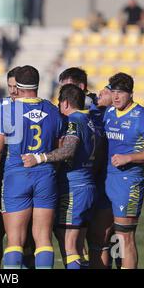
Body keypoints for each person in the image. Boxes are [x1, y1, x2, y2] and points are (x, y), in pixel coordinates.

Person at [0, 65, 65, 269]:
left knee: (14, 241)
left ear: (17, 87)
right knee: (43, 239)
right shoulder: (53, 110)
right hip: (45, 175)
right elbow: (60, 148)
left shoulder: (7, 110)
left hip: (16, 176)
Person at [23, 84, 99, 269]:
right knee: (78, 247)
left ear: (65, 103)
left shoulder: (73, 121)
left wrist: (39, 158)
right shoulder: (89, 121)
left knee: (69, 246)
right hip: (87, 185)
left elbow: (69, 150)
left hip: (74, 188)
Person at [103, 73, 144, 269]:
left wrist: (129, 157)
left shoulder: (142, 116)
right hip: (106, 180)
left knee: (124, 236)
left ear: (130, 93)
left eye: (120, 93)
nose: (116, 97)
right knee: (105, 235)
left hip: (128, 182)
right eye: (113, 92)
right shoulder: (109, 113)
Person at [86, 85, 114, 269]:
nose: (100, 93)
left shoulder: (118, 117)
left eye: (107, 91)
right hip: (89, 182)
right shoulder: (91, 112)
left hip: (110, 185)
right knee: (88, 239)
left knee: (109, 238)